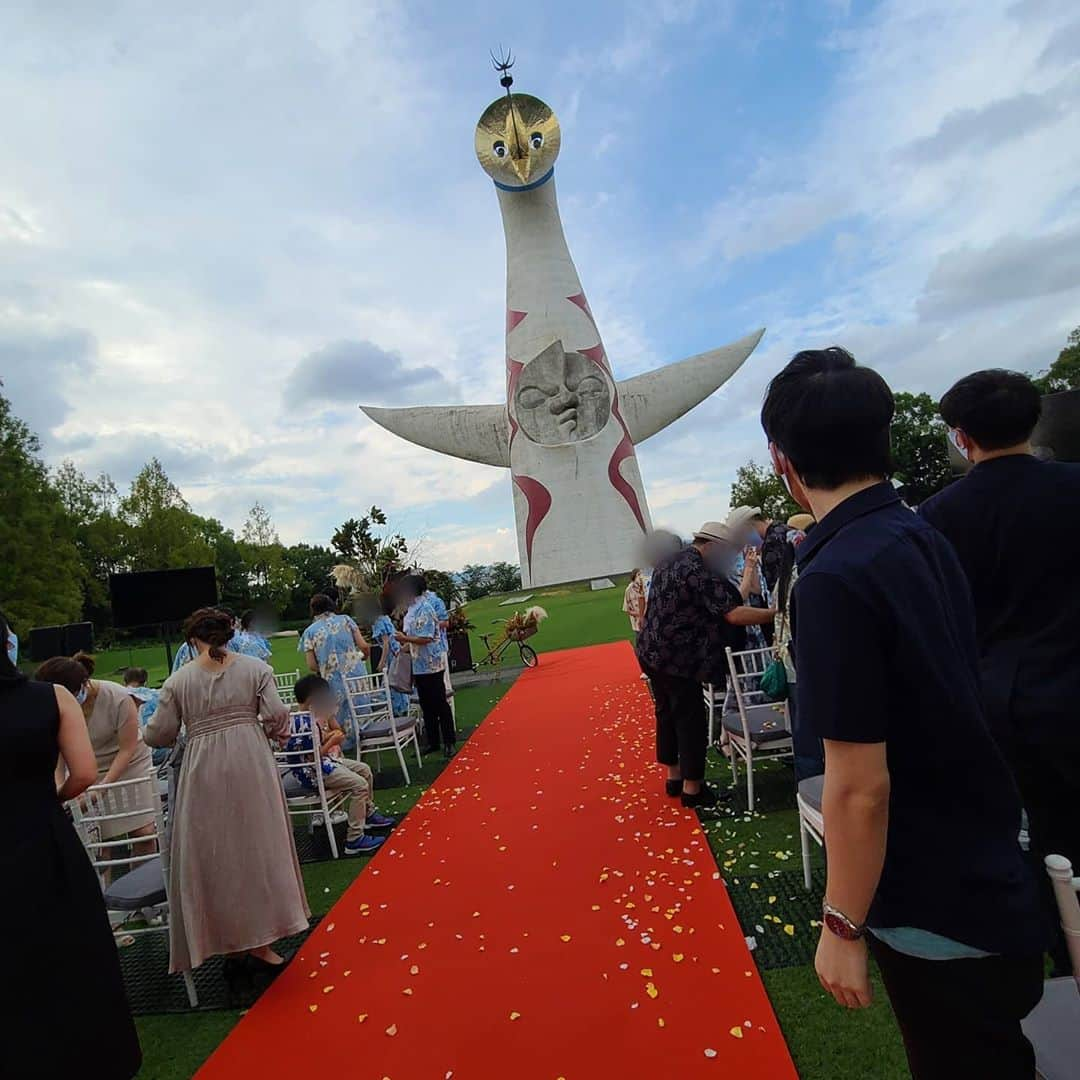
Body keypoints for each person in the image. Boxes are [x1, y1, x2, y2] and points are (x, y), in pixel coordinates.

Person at [762, 346, 1045, 1078]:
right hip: (988, 850)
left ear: (780, 459)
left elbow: (860, 784)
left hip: (931, 886)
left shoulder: (833, 576)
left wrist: (841, 922)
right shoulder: (917, 533)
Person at [919, 368, 1080, 974]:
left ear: (961, 437)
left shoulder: (937, 516)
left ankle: (1064, 952)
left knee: (1045, 838)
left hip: (1004, 702)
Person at [0, 612, 142, 1079]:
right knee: (73, 951)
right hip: (44, 836)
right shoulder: (53, 697)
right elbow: (83, 774)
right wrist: (46, 800)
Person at [144, 608, 310, 982]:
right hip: (251, 761)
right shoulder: (255, 669)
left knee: (215, 854)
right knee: (259, 846)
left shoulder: (179, 680)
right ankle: (261, 944)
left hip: (202, 769)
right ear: (229, 635)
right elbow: (276, 714)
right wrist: (264, 729)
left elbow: (158, 734)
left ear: (192, 640)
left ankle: (230, 946)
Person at [636, 522, 777, 810]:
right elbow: (733, 614)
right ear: (712, 547)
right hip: (678, 659)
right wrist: (775, 614)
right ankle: (693, 789)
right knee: (690, 719)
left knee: (667, 714)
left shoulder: (671, 561)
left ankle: (673, 777)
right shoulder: (698, 570)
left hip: (651, 651)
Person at [36, 652, 157, 850]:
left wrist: (101, 789)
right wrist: (60, 788)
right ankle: (102, 879)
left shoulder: (118, 696)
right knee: (96, 841)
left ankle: (146, 877)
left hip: (130, 762)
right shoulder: (53, 706)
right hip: (85, 764)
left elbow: (127, 748)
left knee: (143, 833)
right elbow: (58, 750)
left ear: (84, 684)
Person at [292, 674, 396, 855]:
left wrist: (329, 738)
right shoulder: (306, 723)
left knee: (364, 770)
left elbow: (313, 746)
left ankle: (367, 813)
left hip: (321, 764)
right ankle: (354, 838)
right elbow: (311, 758)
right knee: (360, 785)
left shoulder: (301, 718)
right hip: (315, 772)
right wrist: (332, 743)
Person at [299, 594, 371, 751]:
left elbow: (311, 665)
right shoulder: (346, 620)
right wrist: (361, 658)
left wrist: (327, 667)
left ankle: (343, 744)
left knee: (337, 711)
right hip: (355, 674)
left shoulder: (310, 632)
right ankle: (366, 737)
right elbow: (364, 646)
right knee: (358, 705)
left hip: (331, 678)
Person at [396, 575, 454, 758]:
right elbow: (415, 638)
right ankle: (433, 741)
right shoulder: (412, 610)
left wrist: (405, 639)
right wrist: (404, 647)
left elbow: (426, 637)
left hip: (432, 664)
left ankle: (449, 741)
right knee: (426, 704)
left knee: (439, 703)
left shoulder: (425, 609)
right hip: (418, 664)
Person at [725, 505, 773, 647]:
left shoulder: (751, 555)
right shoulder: (731, 563)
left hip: (763, 623)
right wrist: (748, 569)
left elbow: (758, 590)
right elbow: (741, 597)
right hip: (749, 630)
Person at [370, 593, 411, 716]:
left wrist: (381, 662)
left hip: (391, 658)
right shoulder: (385, 619)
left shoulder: (378, 623)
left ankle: (398, 713)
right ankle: (402, 710)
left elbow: (386, 643)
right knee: (397, 684)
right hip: (396, 653)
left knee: (392, 685)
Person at [123, 666, 169, 767]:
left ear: (125, 682)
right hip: (156, 751)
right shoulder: (156, 696)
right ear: (145, 682)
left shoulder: (118, 696)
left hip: (129, 754)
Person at [622, 569, 647, 637]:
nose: (641, 577)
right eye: (639, 574)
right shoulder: (628, 590)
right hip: (637, 624)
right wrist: (641, 615)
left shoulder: (647, 586)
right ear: (634, 577)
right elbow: (628, 609)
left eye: (642, 574)